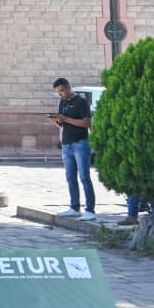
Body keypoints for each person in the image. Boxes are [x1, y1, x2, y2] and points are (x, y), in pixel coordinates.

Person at [51, 77, 96, 221]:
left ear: (68, 87)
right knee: (70, 177)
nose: (60, 94)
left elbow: (86, 123)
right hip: (66, 144)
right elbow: (63, 125)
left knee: (84, 176)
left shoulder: (81, 102)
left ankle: (90, 210)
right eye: (58, 92)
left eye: (62, 91)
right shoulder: (63, 102)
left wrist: (65, 119)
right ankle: (74, 208)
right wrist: (57, 121)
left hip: (80, 143)